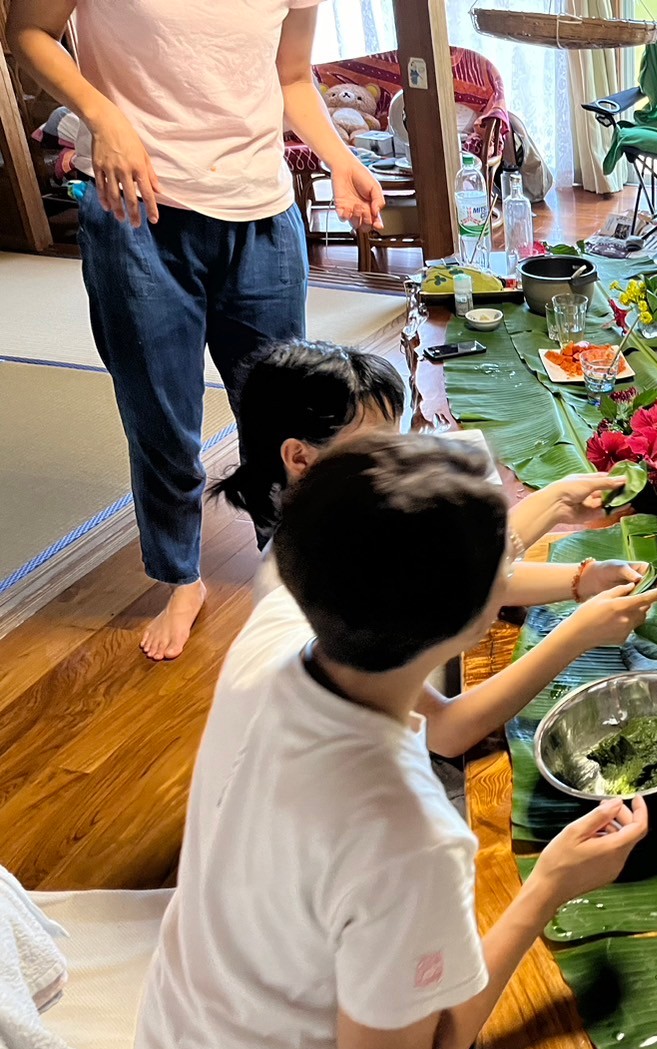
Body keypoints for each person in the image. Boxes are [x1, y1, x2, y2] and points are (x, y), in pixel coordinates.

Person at [129, 433, 651, 1049]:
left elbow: (427, 583)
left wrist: (551, 508)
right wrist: (549, 885)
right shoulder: (410, 840)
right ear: (478, 617)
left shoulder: (287, 629)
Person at [8, 0, 386, 662]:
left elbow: (291, 75)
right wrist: (102, 117)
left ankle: (286, 560)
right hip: (136, 211)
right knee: (161, 412)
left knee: (283, 415)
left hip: (263, 213)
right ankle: (181, 578)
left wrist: (337, 157)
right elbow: (27, 34)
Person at [211, 339, 657, 758]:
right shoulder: (320, 585)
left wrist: (575, 567)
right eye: (377, 446)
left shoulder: (335, 533)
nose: (398, 457)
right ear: (299, 457)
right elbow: (445, 729)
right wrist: (576, 635)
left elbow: (454, 570)